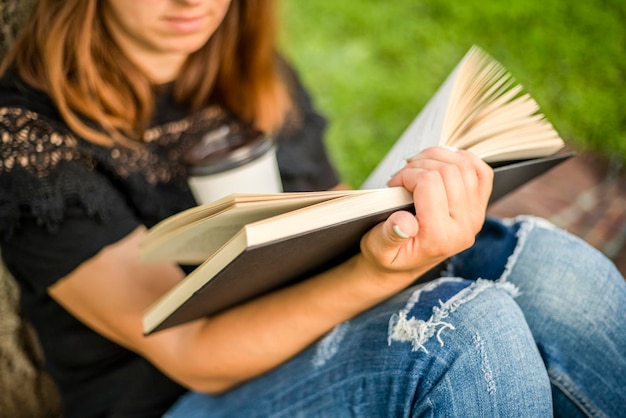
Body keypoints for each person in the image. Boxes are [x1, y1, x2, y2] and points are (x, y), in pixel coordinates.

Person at [0, 0, 624, 417]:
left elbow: (319, 227)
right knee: (460, 330)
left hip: (302, 329)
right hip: (178, 396)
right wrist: (385, 271)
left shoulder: (248, 72)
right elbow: (192, 352)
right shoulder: (24, 135)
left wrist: (399, 222)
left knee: (542, 264)